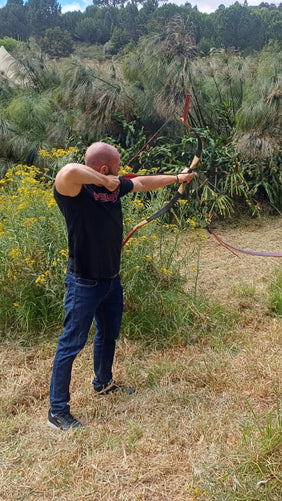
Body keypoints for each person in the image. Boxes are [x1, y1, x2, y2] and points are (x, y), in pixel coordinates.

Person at [48, 141, 197, 430]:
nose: (121, 171)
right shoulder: (75, 191)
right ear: (104, 168)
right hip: (83, 282)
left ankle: (103, 383)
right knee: (71, 343)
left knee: (108, 334)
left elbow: (141, 182)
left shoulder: (115, 186)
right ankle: (57, 411)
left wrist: (177, 179)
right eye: (116, 167)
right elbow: (67, 170)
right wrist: (105, 180)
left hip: (110, 280)